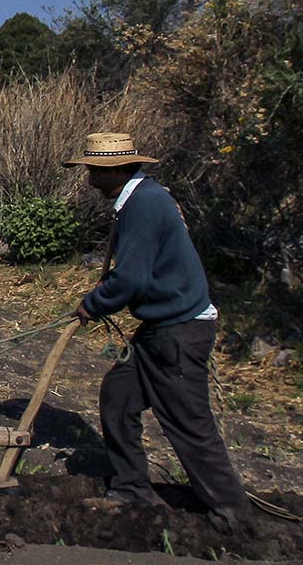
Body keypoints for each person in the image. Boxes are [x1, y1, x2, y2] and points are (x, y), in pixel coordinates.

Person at [66, 133, 253, 532]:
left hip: (179, 331)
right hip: (161, 329)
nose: (89, 180)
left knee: (189, 424)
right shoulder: (139, 200)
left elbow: (131, 278)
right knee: (118, 397)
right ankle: (132, 487)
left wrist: (93, 304)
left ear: (115, 170)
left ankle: (234, 514)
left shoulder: (144, 204)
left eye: (94, 172)